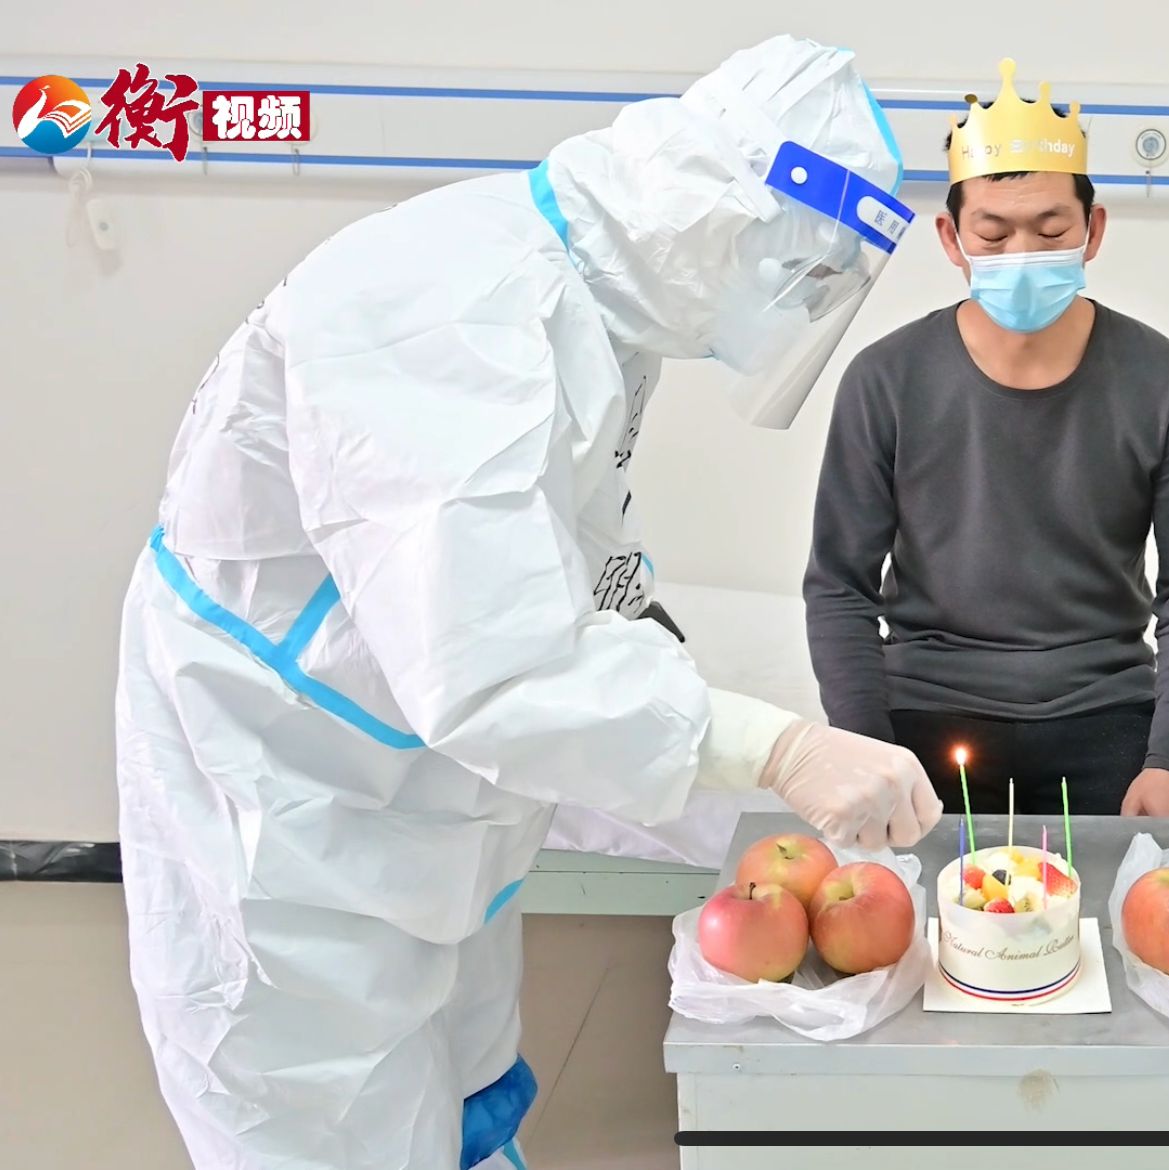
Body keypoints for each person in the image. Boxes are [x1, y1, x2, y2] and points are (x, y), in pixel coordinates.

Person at [113, 36, 943, 1170]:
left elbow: (576, 565)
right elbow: (495, 665)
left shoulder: (601, 310)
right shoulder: (445, 306)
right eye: (802, 272)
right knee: (327, 1116)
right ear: (726, 208)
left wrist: (693, 699)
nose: (793, 305)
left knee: (459, 1072)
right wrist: (775, 747)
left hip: (423, 781)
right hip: (285, 793)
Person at [803, 59, 1169, 821]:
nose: (1023, 254)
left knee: (1124, 887)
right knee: (904, 890)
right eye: (993, 233)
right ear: (951, 238)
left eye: (1051, 229)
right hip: (923, 704)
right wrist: (865, 748)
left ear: (1093, 230)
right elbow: (839, 587)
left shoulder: (1165, 382)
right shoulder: (886, 379)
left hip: (1104, 707)